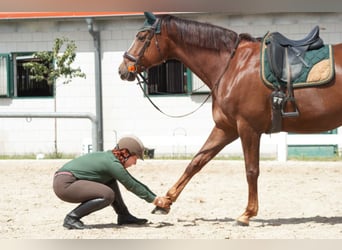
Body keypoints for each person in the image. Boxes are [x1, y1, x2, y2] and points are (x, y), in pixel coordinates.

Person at [53, 135, 171, 230]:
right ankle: (72, 218)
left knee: (110, 180)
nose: (135, 163)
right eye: (135, 158)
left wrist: (155, 197)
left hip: (65, 180)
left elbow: (134, 182)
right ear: (125, 153)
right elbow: (132, 184)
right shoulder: (113, 164)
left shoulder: (110, 159)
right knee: (107, 194)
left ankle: (124, 215)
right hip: (65, 185)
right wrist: (156, 200)